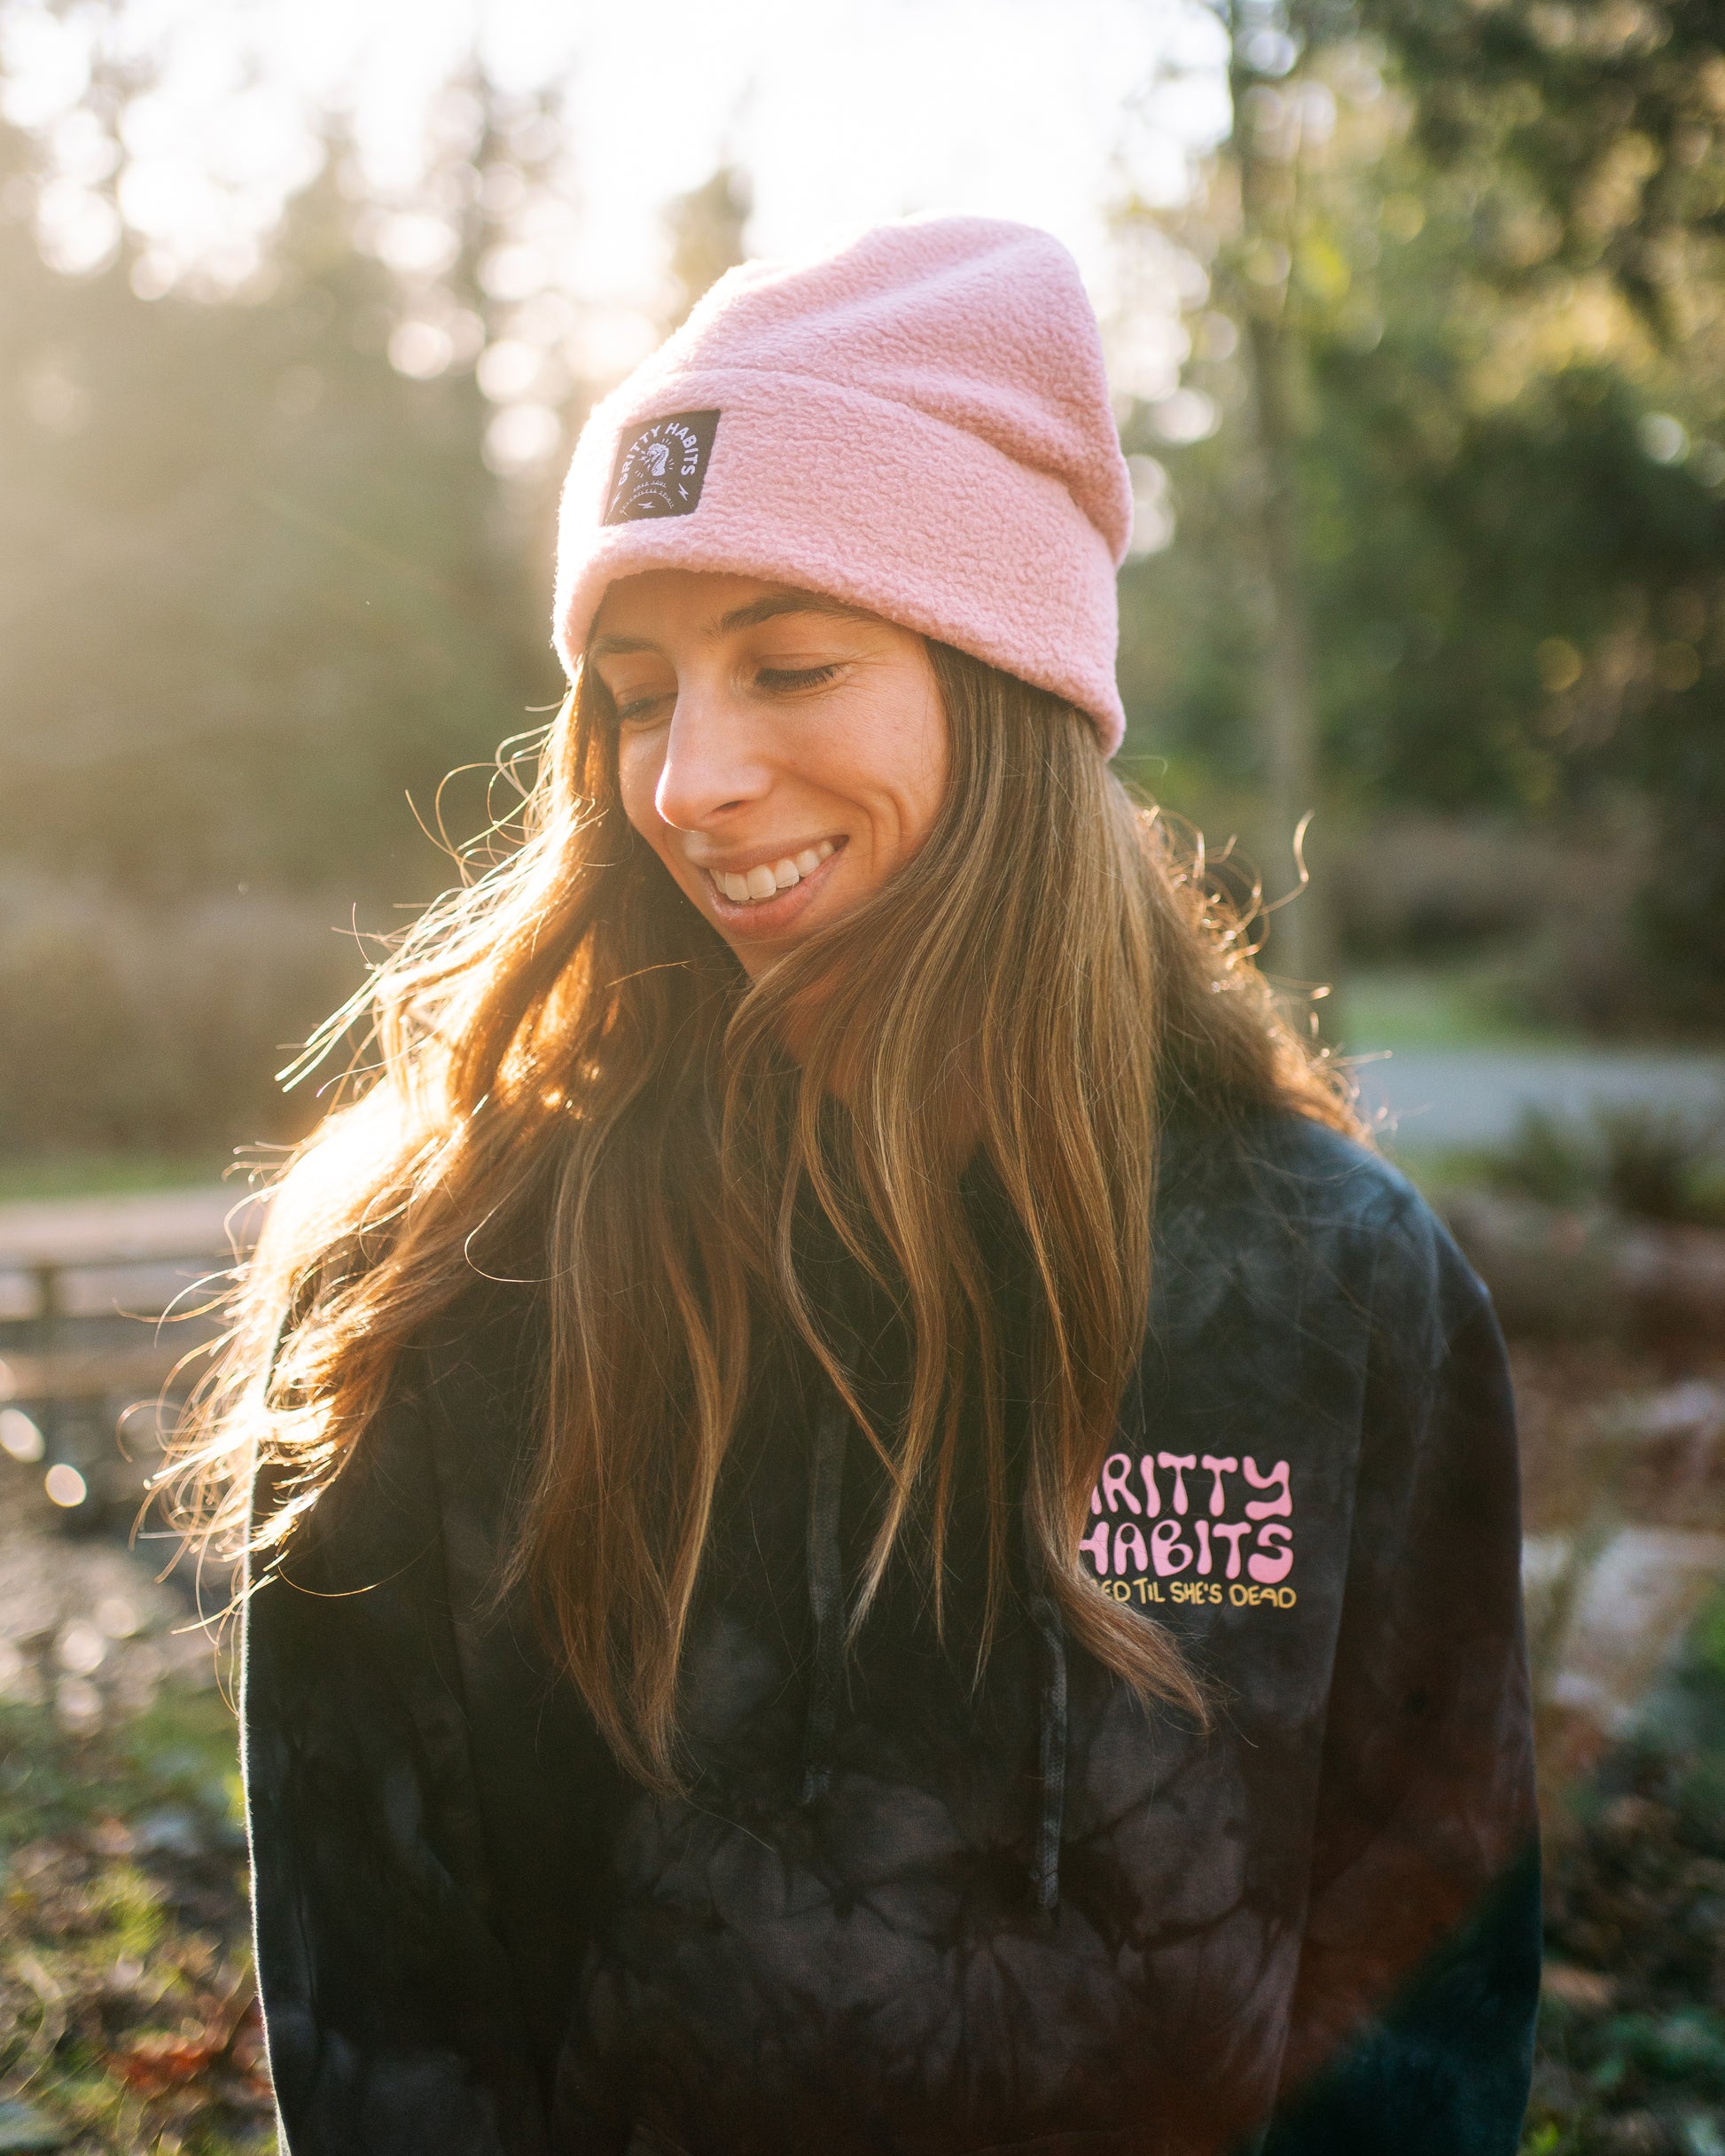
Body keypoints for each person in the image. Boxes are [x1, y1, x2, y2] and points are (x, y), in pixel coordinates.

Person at [181, 217, 1540, 2155]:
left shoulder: (1331, 1288)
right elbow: (385, 2016)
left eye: (790, 662)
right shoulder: (443, 1281)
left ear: (1009, 693)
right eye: (639, 693)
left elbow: (1422, 2001)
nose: (688, 780)